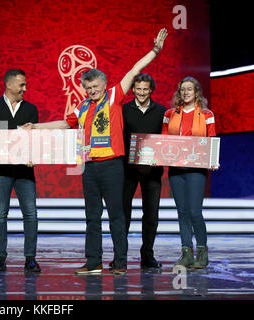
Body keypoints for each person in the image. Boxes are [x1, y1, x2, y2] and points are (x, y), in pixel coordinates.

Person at [24, 29, 168, 275]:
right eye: (88, 87)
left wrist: (154, 50)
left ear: (104, 84)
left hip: (113, 166)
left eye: (95, 86)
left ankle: (120, 262)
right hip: (89, 167)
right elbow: (63, 123)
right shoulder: (81, 107)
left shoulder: (114, 96)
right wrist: (36, 126)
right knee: (92, 217)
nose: (92, 90)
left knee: (116, 216)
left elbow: (134, 70)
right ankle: (94, 261)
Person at [0, 69, 41, 273]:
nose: (25, 88)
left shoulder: (31, 109)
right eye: (21, 85)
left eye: (25, 85)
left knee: (31, 214)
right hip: (1, 170)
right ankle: (0, 258)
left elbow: (34, 140)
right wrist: (19, 133)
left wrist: (33, 155)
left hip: (25, 171)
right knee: (0, 214)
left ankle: (30, 258)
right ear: (9, 85)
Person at [162, 76, 217, 269]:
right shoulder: (170, 113)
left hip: (196, 170)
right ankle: (186, 253)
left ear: (196, 93)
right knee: (182, 212)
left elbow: (211, 139)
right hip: (176, 170)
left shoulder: (206, 114)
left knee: (194, 212)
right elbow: (163, 139)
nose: (185, 93)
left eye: (189, 89)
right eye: (183, 89)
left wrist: (212, 159)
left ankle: (202, 253)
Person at [122, 73, 166, 269]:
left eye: (145, 89)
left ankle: (147, 255)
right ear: (133, 90)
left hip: (153, 170)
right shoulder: (123, 110)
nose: (141, 92)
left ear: (151, 90)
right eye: (138, 89)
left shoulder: (162, 111)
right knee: (123, 214)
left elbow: (165, 140)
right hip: (127, 169)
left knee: (151, 215)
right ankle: (120, 255)